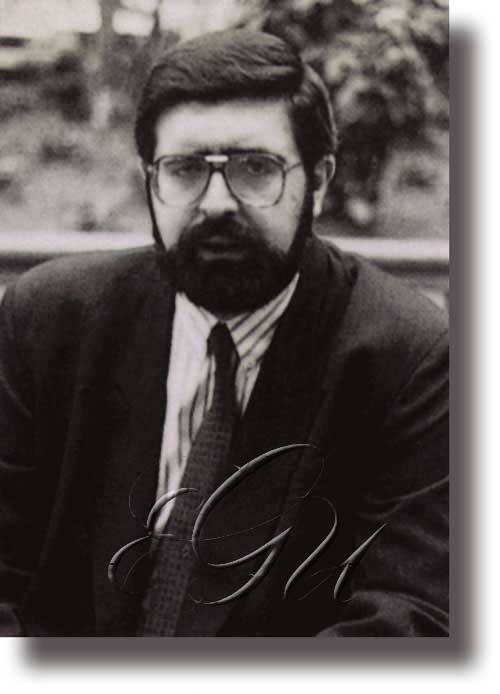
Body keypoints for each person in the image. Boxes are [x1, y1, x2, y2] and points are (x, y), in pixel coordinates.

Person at [0, 30, 448, 637]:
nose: (215, 203)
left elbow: (409, 619)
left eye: (255, 168)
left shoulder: (411, 358)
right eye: (185, 170)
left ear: (319, 181)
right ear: (150, 180)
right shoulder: (46, 321)